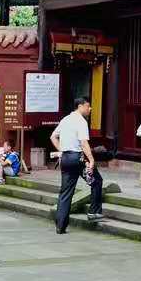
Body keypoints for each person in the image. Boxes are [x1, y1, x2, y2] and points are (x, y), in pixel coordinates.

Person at [49, 97, 104, 234]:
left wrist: (62, 150)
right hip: (78, 159)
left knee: (66, 192)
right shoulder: (81, 121)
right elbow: (84, 143)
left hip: (66, 159)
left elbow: (53, 137)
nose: (90, 109)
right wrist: (91, 160)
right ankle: (94, 212)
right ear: (80, 106)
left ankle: (60, 226)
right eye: (88, 106)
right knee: (96, 181)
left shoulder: (65, 119)